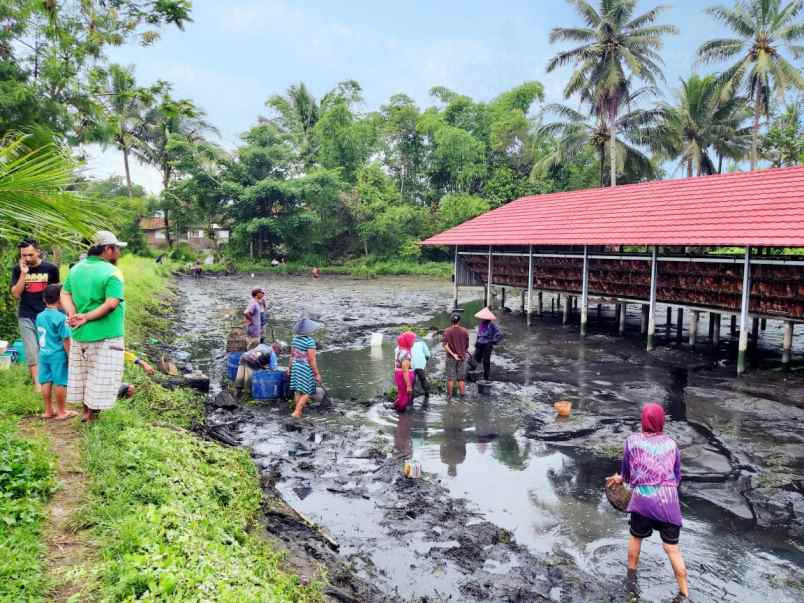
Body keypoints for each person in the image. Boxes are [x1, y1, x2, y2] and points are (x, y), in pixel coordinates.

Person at [607, 404, 689, 601]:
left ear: (643, 420)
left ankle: (631, 580)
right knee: (672, 549)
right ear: (661, 421)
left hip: (642, 501)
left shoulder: (632, 441)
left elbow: (626, 474)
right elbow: (677, 479)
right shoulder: (672, 445)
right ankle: (684, 592)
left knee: (636, 538)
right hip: (669, 503)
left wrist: (620, 479)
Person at [60, 230, 127, 423]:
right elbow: (112, 303)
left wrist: (72, 313)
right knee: (101, 377)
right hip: (106, 335)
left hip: (79, 335)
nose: (119, 253)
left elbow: (65, 294)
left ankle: (86, 413)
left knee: (84, 375)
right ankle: (93, 418)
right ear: (107, 249)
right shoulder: (113, 272)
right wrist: (87, 317)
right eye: (117, 249)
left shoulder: (76, 269)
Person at [10, 239, 60, 387]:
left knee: (48, 349)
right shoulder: (17, 269)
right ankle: (38, 386)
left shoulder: (50, 268)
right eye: (23, 255)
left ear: (38, 252)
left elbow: (57, 291)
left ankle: (51, 381)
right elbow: (16, 294)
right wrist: (23, 274)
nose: (26, 258)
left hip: (46, 315)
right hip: (26, 314)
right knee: (32, 351)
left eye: (30, 254)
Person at [35, 284, 75, 420]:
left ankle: (48, 411)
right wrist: (70, 356)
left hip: (43, 354)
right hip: (58, 356)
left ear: (44, 299)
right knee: (60, 382)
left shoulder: (39, 316)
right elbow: (66, 339)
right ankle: (62, 412)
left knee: (45, 381)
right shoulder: (61, 318)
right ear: (60, 299)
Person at [288, 317, 322, 418]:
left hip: (295, 367)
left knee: (298, 390)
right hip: (305, 368)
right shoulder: (310, 342)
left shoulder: (295, 339)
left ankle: (298, 411)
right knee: (307, 391)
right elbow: (312, 359)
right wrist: (317, 373)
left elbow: (292, 355)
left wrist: (289, 368)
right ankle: (297, 412)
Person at [442, 313, 469, 400]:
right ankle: (462, 397)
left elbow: (445, 345)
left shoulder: (447, 331)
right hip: (462, 357)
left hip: (450, 358)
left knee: (450, 379)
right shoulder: (464, 331)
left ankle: (449, 398)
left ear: (451, 321)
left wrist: (453, 354)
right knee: (461, 379)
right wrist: (461, 353)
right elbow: (466, 345)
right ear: (459, 321)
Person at [473, 307, 503, 381]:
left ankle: (486, 376)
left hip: (487, 345)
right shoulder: (481, 324)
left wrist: (493, 341)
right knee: (475, 358)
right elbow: (479, 334)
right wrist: (476, 342)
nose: (481, 319)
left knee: (486, 361)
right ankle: (471, 373)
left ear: (486, 318)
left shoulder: (491, 325)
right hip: (480, 344)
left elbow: (499, 334)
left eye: (482, 318)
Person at [394, 331, 416, 412]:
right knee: (405, 396)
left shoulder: (399, 349)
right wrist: (409, 385)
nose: (413, 342)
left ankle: (396, 406)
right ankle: (401, 417)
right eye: (412, 340)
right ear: (407, 341)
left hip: (398, 374)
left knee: (401, 393)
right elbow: (405, 370)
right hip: (404, 376)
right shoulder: (406, 354)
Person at [411, 336, 431, 403]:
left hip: (410, 364)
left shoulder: (408, 344)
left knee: (412, 381)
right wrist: (425, 361)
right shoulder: (422, 343)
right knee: (423, 379)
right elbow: (428, 354)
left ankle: (411, 397)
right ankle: (427, 394)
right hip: (420, 364)